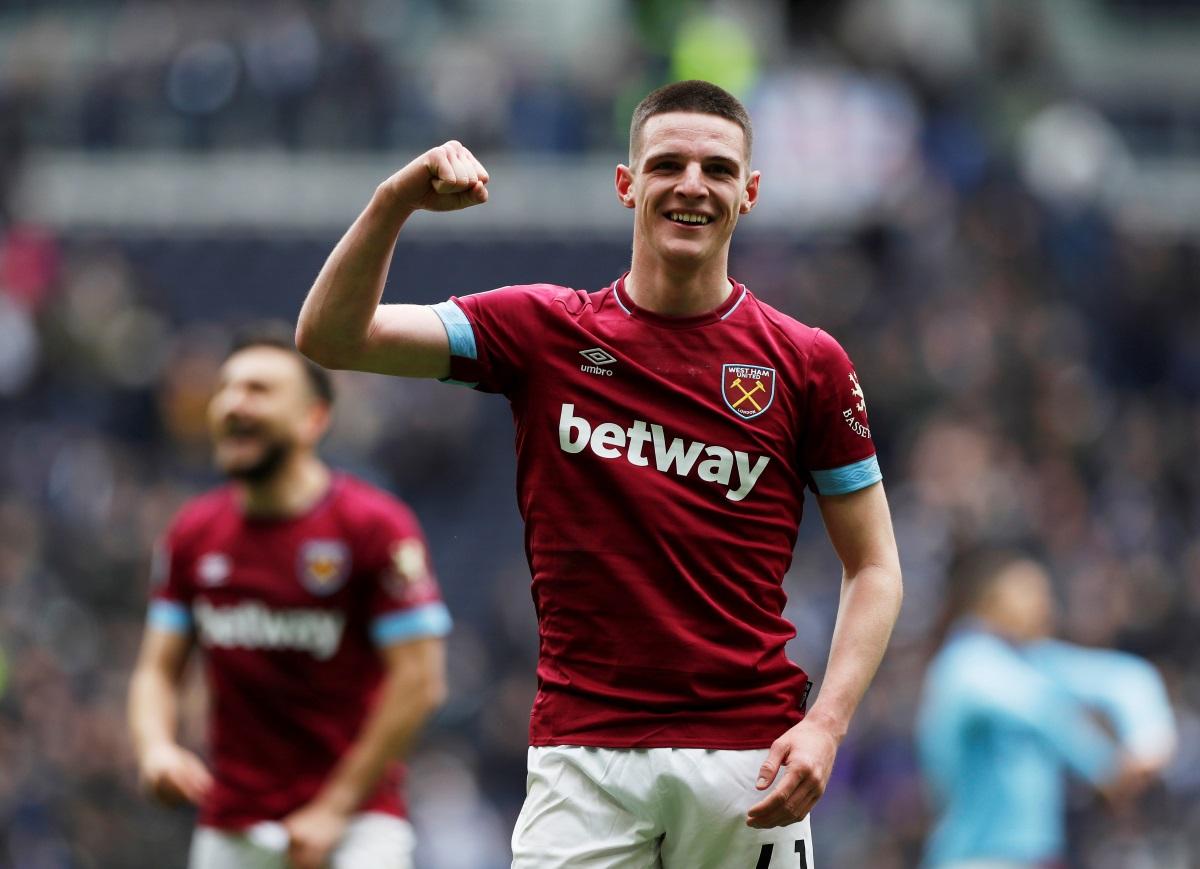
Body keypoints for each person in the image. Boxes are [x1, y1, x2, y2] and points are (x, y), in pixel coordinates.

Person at [296, 79, 904, 867]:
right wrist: (395, 200)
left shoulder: (807, 362)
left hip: (746, 760)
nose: (692, 185)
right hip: (583, 759)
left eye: (718, 170)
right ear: (626, 184)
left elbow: (875, 565)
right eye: (668, 164)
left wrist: (826, 723)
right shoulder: (541, 331)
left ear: (750, 192)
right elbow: (332, 337)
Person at [127, 333, 451, 869]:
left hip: (355, 828)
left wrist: (333, 809)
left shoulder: (374, 526)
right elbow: (156, 669)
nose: (233, 404)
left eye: (259, 390)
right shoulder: (193, 533)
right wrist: (156, 749)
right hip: (231, 826)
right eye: (226, 389)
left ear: (313, 419)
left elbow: (420, 682)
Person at [916, 548, 1176, 869]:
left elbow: (1127, 678)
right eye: (1031, 594)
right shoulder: (965, 663)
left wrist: (1147, 739)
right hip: (974, 858)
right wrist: (1106, 769)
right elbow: (1040, 710)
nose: (1045, 606)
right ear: (991, 600)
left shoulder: (1029, 660)